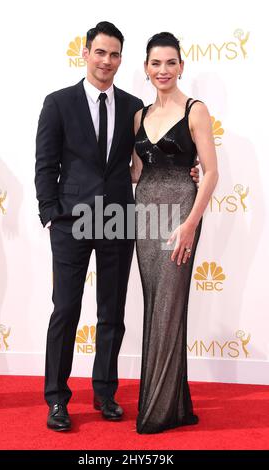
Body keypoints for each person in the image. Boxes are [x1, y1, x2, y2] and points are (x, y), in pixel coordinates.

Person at [35, 22, 199, 432]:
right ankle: (57, 399)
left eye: (114, 54)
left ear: (122, 60)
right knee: (66, 310)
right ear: (85, 53)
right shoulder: (58, 103)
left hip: (119, 219)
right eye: (100, 52)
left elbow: (139, 164)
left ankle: (105, 392)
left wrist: (186, 171)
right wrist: (51, 212)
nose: (106, 61)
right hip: (71, 221)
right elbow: (45, 164)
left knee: (112, 312)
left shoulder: (132, 108)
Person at [131, 32, 218, 434]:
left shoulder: (195, 111)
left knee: (168, 305)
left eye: (170, 63)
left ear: (181, 65)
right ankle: (176, 405)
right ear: (146, 67)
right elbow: (136, 173)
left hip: (181, 212)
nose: (163, 70)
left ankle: (157, 410)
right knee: (156, 306)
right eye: (155, 63)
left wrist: (190, 224)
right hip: (144, 214)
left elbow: (211, 173)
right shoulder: (140, 115)